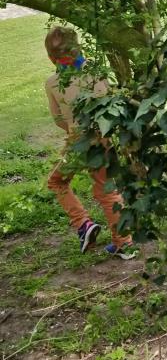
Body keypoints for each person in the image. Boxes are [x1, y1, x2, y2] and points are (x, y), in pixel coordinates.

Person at [44, 27, 135, 260]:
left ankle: (83, 224)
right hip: (102, 138)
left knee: (56, 181)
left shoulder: (53, 82)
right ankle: (124, 242)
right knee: (107, 189)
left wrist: (74, 132)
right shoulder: (96, 72)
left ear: (50, 57)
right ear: (79, 48)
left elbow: (58, 119)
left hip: (78, 142)